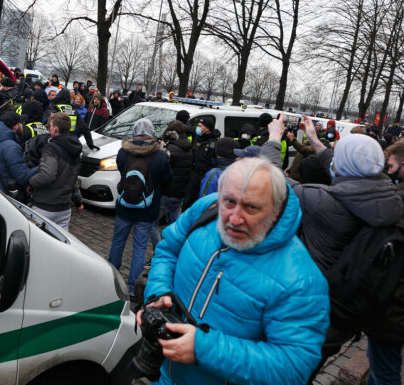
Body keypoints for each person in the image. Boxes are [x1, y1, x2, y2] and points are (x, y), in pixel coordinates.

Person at [141, 157, 330, 385]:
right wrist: (158, 292)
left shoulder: (301, 281)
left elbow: (293, 366)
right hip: (164, 376)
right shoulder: (208, 207)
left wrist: (204, 349)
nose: (235, 218)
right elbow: (168, 249)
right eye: (229, 202)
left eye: (251, 207)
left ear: (277, 209)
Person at [261, 114, 404, 374]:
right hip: (344, 317)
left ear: (340, 166)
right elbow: (349, 170)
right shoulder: (390, 199)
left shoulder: (322, 200)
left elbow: (271, 180)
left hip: (307, 313)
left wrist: (273, 139)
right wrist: (315, 141)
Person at [363, 136, 404, 385]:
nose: (389, 171)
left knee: (385, 372)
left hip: (394, 310)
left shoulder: (399, 205)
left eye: (392, 166)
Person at [107, 118, 172, 298]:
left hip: (124, 205)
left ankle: (110, 276)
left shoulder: (123, 151)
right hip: (148, 208)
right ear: (152, 133)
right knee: (139, 248)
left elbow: (121, 171)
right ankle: (132, 287)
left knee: (118, 241)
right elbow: (167, 179)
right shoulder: (160, 156)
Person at [27, 113, 83, 231]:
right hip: (64, 208)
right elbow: (73, 177)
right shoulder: (76, 148)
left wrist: (31, 181)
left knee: (38, 242)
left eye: (49, 127)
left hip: (45, 206)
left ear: (55, 129)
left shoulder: (51, 148)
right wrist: (77, 200)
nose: (48, 129)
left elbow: (47, 176)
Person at [0, 111, 38, 194]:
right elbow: (22, 177)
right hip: (3, 194)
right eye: (21, 123)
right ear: (15, 127)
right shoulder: (11, 147)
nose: (22, 126)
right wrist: (40, 168)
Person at [159, 120, 192, 225]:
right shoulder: (188, 147)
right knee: (175, 225)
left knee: (152, 223)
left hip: (167, 192)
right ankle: (175, 241)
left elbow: (163, 169)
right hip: (180, 192)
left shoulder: (171, 149)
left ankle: (157, 242)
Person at [182, 117, 218, 210]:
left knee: (203, 201)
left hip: (206, 175)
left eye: (200, 126)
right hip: (194, 174)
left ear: (207, 129)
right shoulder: (197, 139)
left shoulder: (215, 143)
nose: (197, 127)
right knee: (187, 201)